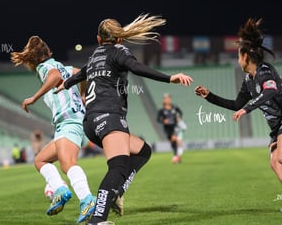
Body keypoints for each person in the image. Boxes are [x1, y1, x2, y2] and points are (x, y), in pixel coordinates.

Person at [56, 14, 193, 224]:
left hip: (91, 122)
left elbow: (81, 74)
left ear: (99, 39)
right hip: (109, 117)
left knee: (143, 150)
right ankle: (97, 219)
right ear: (119, 39)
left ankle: (117, 192)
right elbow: (137, 68)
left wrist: (65, 85)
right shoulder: (119, 52)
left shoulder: (94, 56)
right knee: (118, 167)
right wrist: (170, 78)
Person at [194, 18, 282, 212]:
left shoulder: (265, 71)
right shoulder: (248, 80)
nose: (237, 60)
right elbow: (236, 104)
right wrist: (209, 96)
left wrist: (247, 109)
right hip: (279, 128)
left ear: (245, 56)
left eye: (238, 56)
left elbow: (270, 90)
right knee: (275, 162)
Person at [11, 36, 96, 223]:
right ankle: (60, 190)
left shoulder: (45, 68)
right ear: (49, 53)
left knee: (68, 164)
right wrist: (82, 94)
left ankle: (88, 199)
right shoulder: (66, 68)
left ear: (34, 60)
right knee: (40, 160)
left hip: (70, 122)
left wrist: (34, 98)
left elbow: (55, 77)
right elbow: (83, 74)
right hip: (69, 123)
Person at [157, 93, 184, 163]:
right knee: (172, 141)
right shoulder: (162, 110)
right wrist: (163, 120)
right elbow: (158, 119)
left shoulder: (174, 107)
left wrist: (178, 118)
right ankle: (177, 156)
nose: (167, 100)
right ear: (164, 100)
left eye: (168, 98)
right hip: (167, 129)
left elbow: (180, 113)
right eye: (166, 98)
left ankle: (175, 156)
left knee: (175, 139)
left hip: (175, 127)